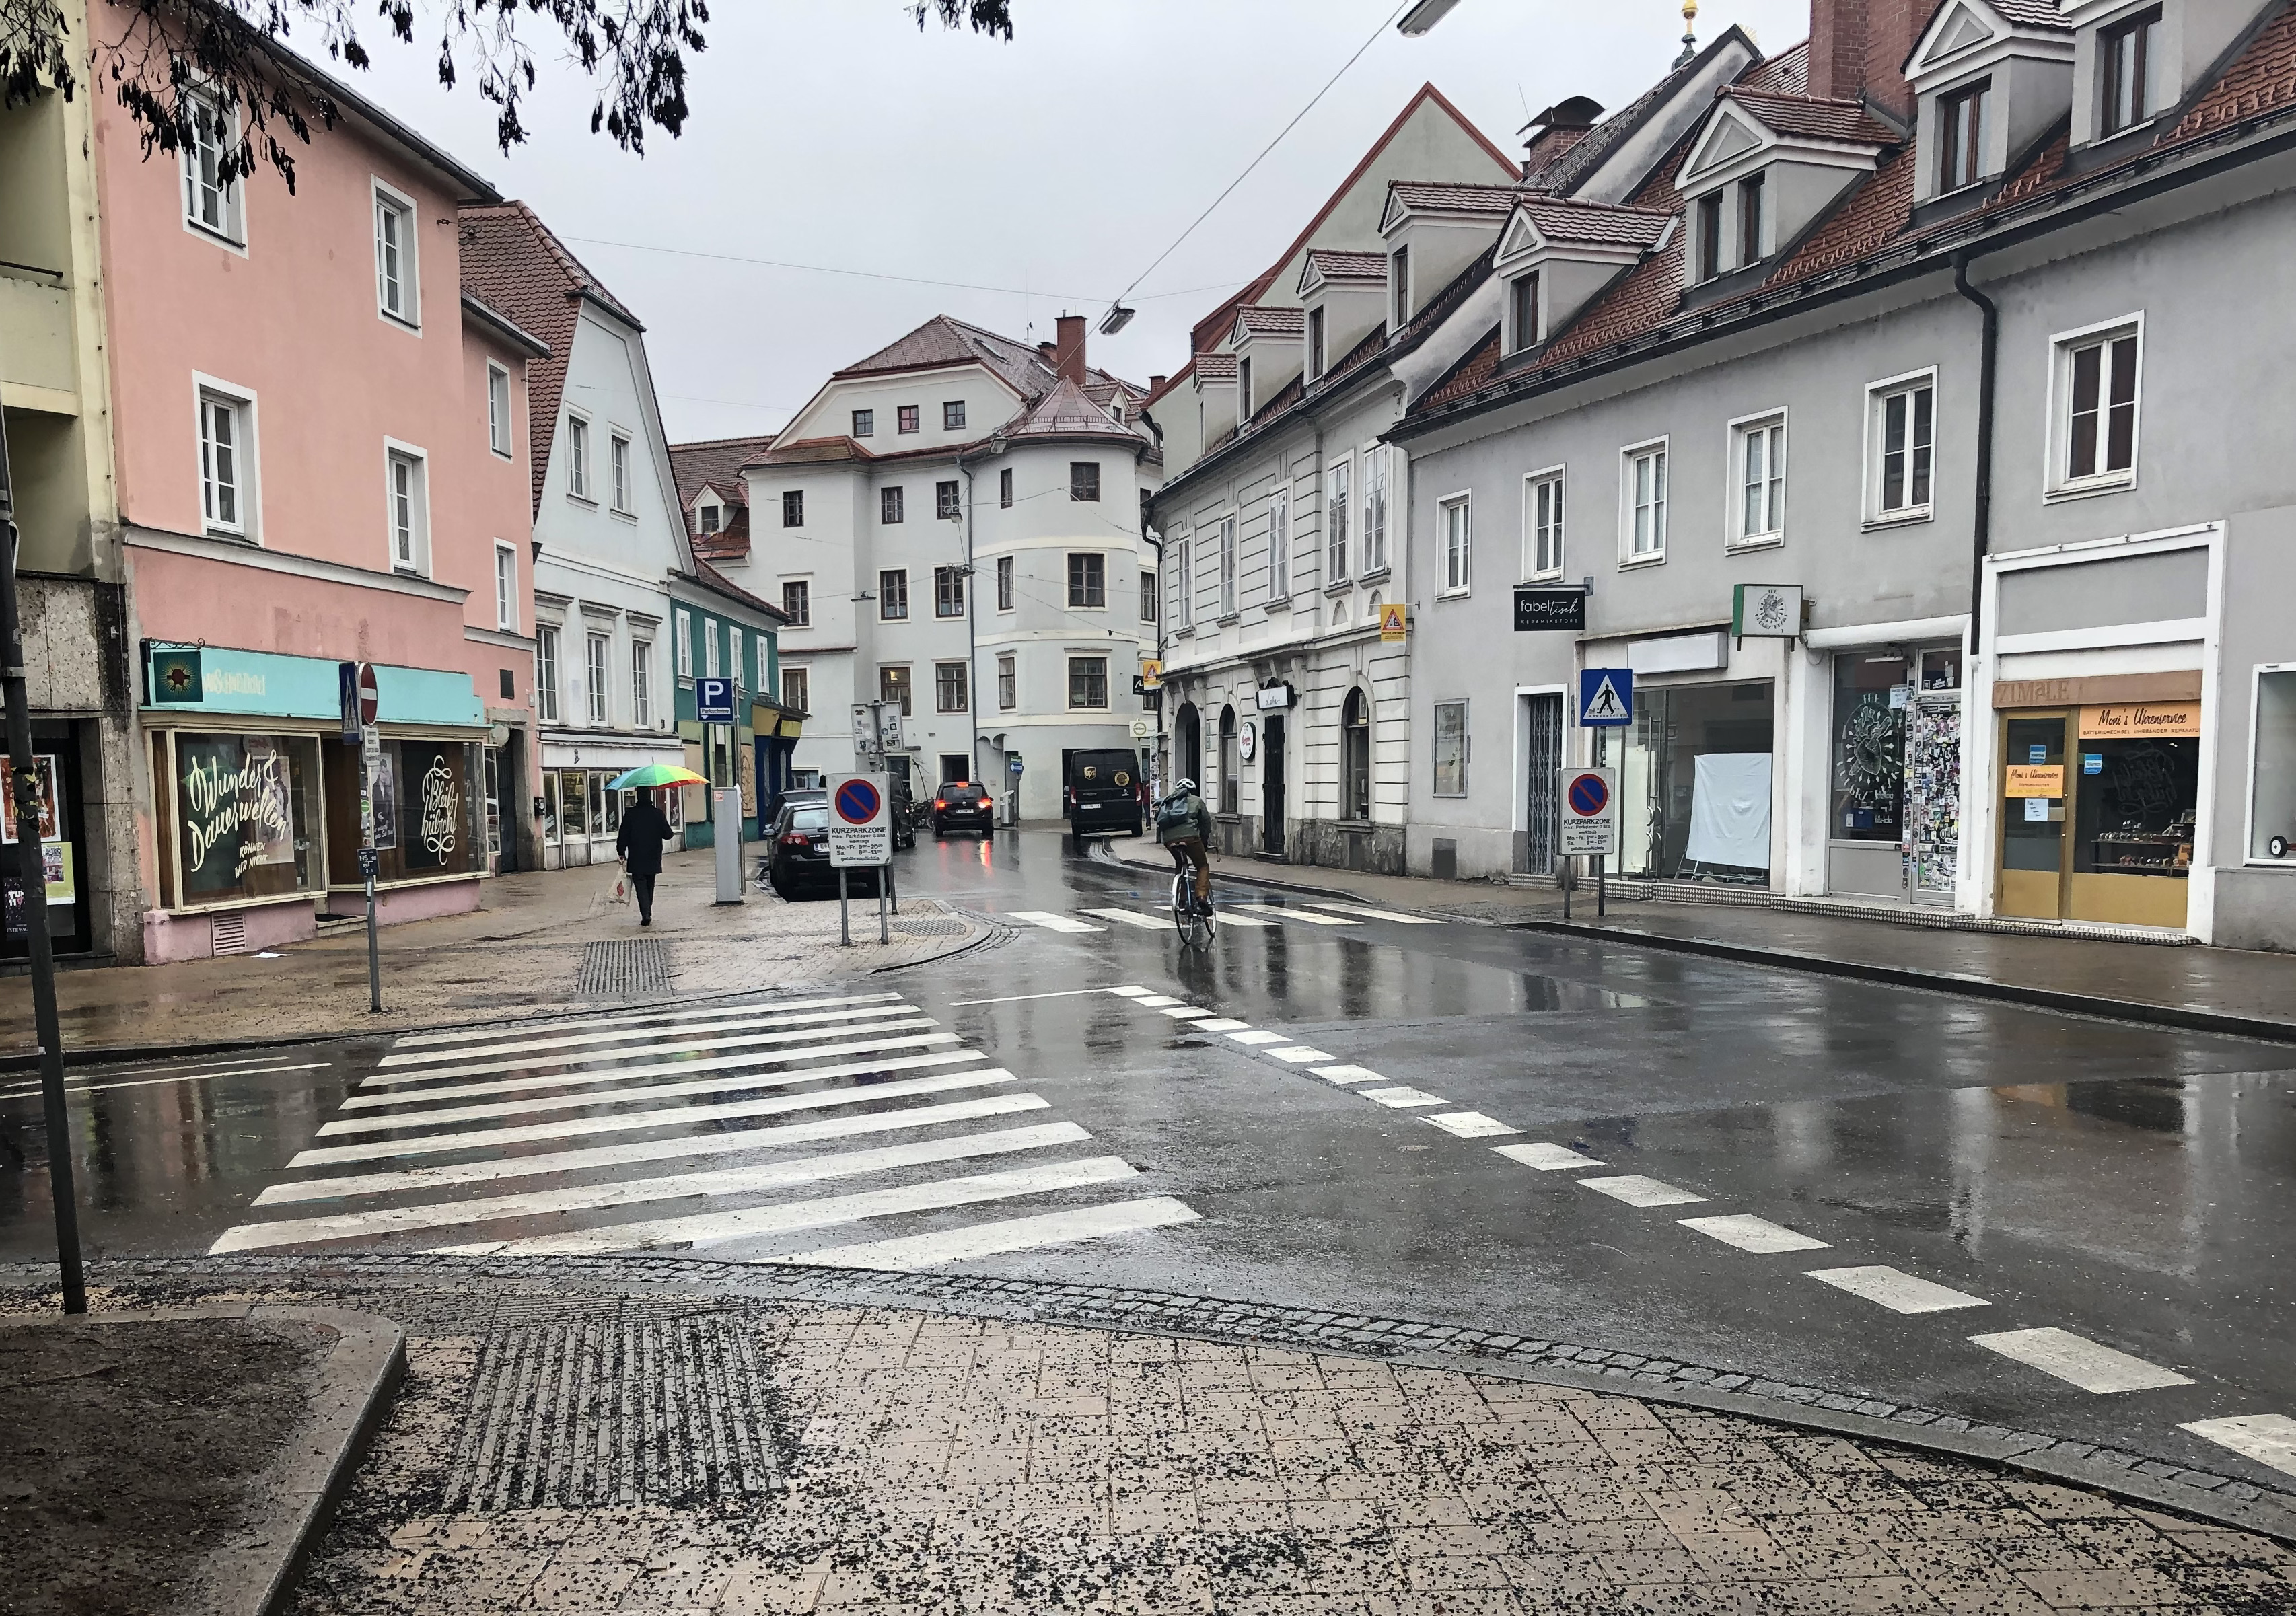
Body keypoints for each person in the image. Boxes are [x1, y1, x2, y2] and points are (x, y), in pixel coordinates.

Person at [615, 784, 676, 925]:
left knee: (640, 885)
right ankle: (647, 910)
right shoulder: (658, 814)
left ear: (638, 797)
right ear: (650, 796)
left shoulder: (631, 814)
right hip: (653, 856)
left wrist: (621, 852)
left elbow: (623, 834)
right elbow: (668, 834)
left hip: (637, 857)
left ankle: (646, 912)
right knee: (650, 885)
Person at [1157, 778, 1215, 914]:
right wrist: (1204, 841)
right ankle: (1201, 898)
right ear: (1192, 791)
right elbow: (1206, 823)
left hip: (1169, 840)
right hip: (1191, 838)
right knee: (1202, 865)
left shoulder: (1168, 801)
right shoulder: (1197, 800)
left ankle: (1181, 900)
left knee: (1180, 865)